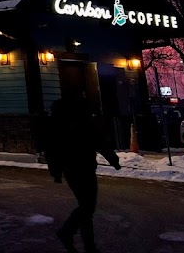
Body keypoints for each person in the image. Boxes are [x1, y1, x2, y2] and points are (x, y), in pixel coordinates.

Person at [45, 93, 122, 253]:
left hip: (70, 169)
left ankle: (86, 243)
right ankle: (68, 233)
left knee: (85, 207)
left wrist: (56, 172)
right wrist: (113, 160)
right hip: (85, 168)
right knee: (88, 206)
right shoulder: (85, 122)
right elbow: (99, 142)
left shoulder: (58, 123)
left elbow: (52, 149)